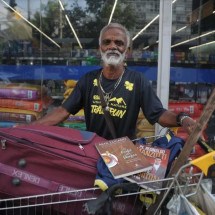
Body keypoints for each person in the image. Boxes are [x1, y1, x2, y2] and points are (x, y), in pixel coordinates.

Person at [31, 23, 195, 140]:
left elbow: (158, 114)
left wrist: (182, 118)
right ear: (99, 48)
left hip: (124, 156)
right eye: (107, 42)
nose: (112, 46)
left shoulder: (138, 81)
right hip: (92, 153)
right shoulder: (88, 81)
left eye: (119, 43)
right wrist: (28, 128)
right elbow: (62, 112)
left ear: (127, 50)